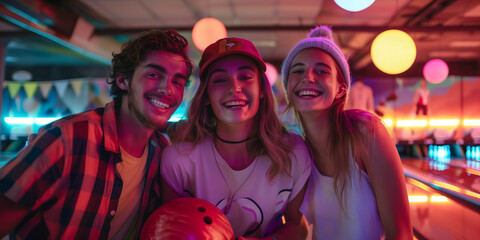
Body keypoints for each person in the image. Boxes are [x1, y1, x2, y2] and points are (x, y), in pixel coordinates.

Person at [0, 29, 193, 239]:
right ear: (122, 80)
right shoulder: (66, 139)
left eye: (178, 82)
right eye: (154, 75)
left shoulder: (161, 153)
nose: (168, 90)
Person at [161, 37, 311, 239]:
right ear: (206, 96)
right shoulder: (178, 159)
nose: (234, 88)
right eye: (220, 80)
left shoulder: (293, 152)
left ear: (262, 91)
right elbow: (169, 230)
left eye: (246, 77)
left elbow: (296, 224)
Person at [281, 26, 412, 239]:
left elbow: (401, 234)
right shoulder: (294, 151)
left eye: (322, 70)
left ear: (341, 89)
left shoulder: (366, 132)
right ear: (289, 88)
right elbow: (296, 226)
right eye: (297, 70)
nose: (308, 77)